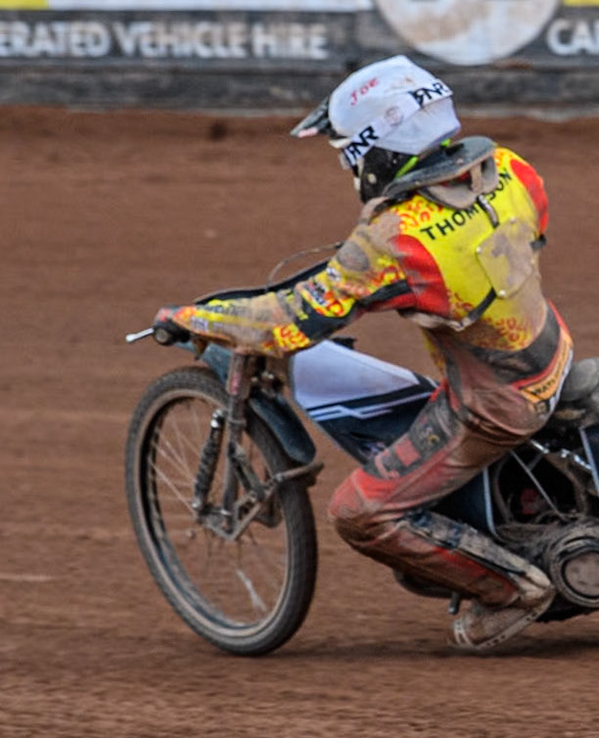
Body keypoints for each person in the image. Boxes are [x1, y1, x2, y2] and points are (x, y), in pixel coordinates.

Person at [151, 56, 570, 651]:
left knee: (359, 513)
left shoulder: (396, 238)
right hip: (549, 353)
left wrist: (191, 317)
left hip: (493, 405)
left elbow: (285, 327)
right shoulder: (511, 169)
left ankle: (511, 591)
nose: (347, 162)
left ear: (377, 146)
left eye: (347, 148)